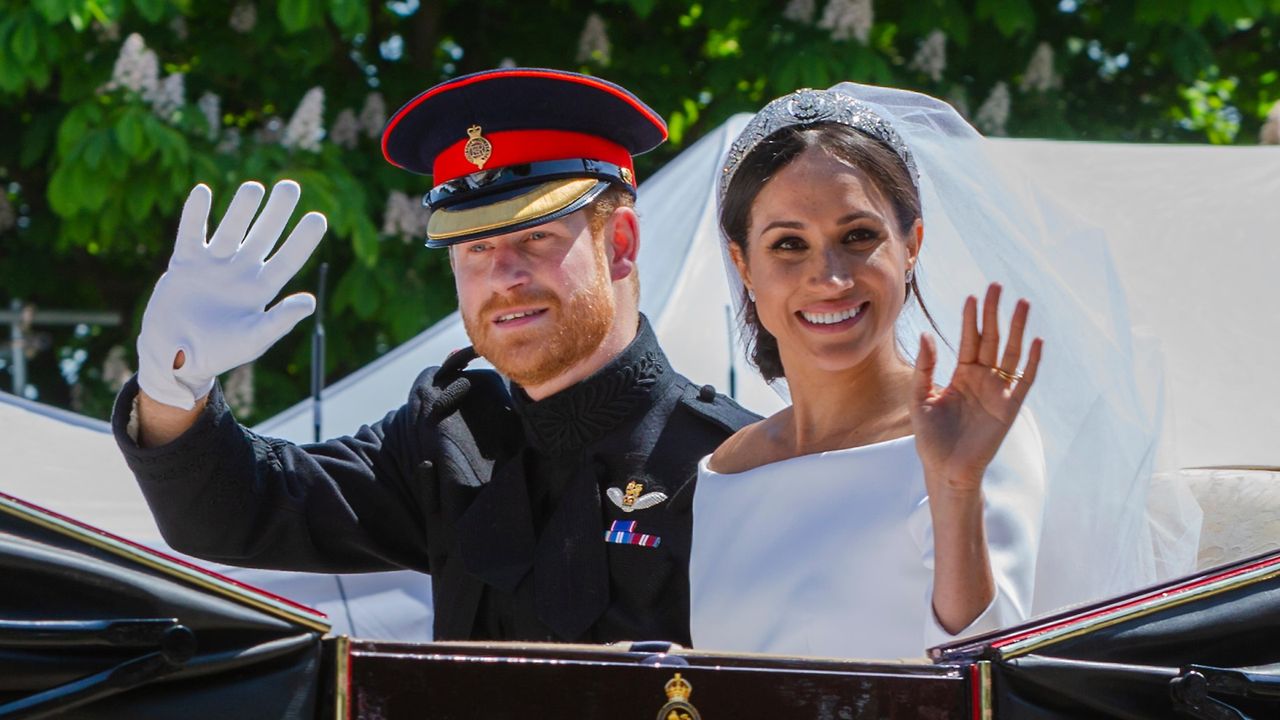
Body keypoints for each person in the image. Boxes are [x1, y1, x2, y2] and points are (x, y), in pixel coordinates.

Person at [111, 68, 757, 645]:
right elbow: (238, 513)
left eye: (534, 236)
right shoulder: (452, 439)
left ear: (619, 243)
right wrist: (174, 382)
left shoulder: (730, 464)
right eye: (473, 248)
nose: (502, 275)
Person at [689, 83, 1196, 659]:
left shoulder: (970, 433)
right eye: (787, 244)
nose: (829, 277)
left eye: (858, 236)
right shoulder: (724, 470)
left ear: (912, 245)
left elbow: (985, 673)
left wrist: (957, 487)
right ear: (743, 265)